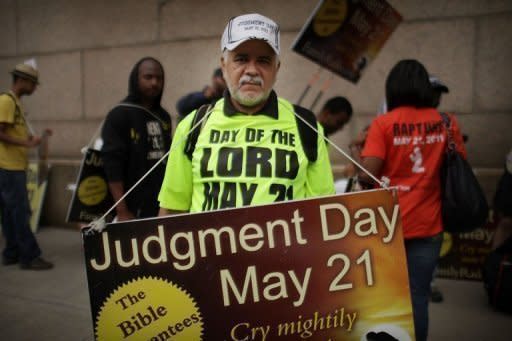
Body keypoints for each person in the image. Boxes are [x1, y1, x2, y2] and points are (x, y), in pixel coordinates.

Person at [158, 13, 335, 214]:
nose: (252, 70)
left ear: (277, 68)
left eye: (264, 61)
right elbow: (171, 213)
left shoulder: (307, 126)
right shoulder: (193, 126)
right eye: (241, 59)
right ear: (224, 65)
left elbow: (323, 214)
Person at [357, 59, 466, 341]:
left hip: (387, 227)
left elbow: (368, 175)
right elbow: (458, 168)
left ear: (391, 88)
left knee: (383, 297)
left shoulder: (383, 124)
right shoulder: (447, 123)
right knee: (418, 295)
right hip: (429, 227)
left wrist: (360, 160)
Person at [101, 57, 172, 221]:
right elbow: (112, 165)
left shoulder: (164, 117)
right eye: (148, 77)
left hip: (159, 204)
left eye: (159, 78)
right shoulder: (119, 114)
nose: (154, 83)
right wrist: (122, 210)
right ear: (136, 79)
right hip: (130, 207)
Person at [0, 61, 53, 270]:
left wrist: (36, 138)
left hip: (12, 166)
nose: (34, 88)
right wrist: (26, 143)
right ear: (22, 81)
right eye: (33, 83)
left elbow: (13, 131)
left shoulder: (15, 102)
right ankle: (30, 256)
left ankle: (11, 252)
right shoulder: (7, 101)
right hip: (9, 167)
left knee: (10, 212)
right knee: (20, 212)